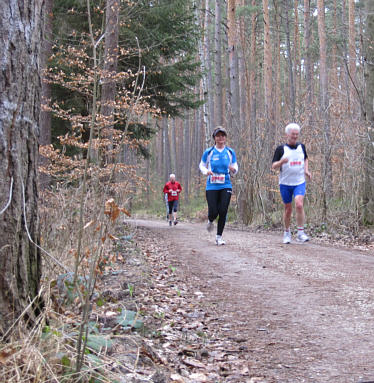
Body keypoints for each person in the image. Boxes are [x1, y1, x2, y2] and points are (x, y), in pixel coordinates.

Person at [271, 122, 312, 244]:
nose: (295, 137)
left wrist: (306, 170)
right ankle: (287, 232)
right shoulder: (281, 149)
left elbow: (305, 158)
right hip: (285, 183)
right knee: (288, 209)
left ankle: (300, 232)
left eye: (297, 134)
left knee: (299, 204)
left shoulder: (301, 147)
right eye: (293, 134)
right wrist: (281, 162)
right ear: (287, 135)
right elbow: (273, 165)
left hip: (299, 182)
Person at [199, 126, 238, 245]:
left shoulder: (230, 152)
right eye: (218, 136)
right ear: (214, 138)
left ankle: (219, 236)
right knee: (213, 211)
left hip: (225, 183)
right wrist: (206, 172)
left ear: (225, 138)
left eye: (222, 135)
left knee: (223, 210)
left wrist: (233, 169)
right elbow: (201, 165)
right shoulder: (209, 152)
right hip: (212, 185)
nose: (220, 138)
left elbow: (235, 167)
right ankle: (210, 220)